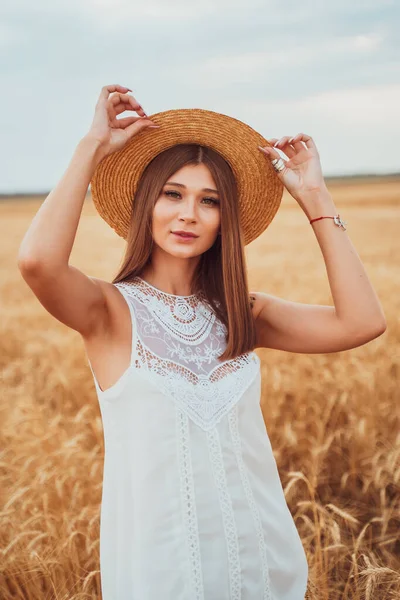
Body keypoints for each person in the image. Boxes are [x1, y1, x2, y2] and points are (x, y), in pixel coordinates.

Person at [18, 84, 387, 600]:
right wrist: (93, 147)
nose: (188, 213)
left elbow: (362, 322)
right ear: (148, 203)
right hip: (162, 572)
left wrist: (316, 199)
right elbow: (38, 263)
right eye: (173, 194)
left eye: (209, 201)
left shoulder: (243, 313)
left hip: (262, 562)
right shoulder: (108, 312)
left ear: (223, 221)